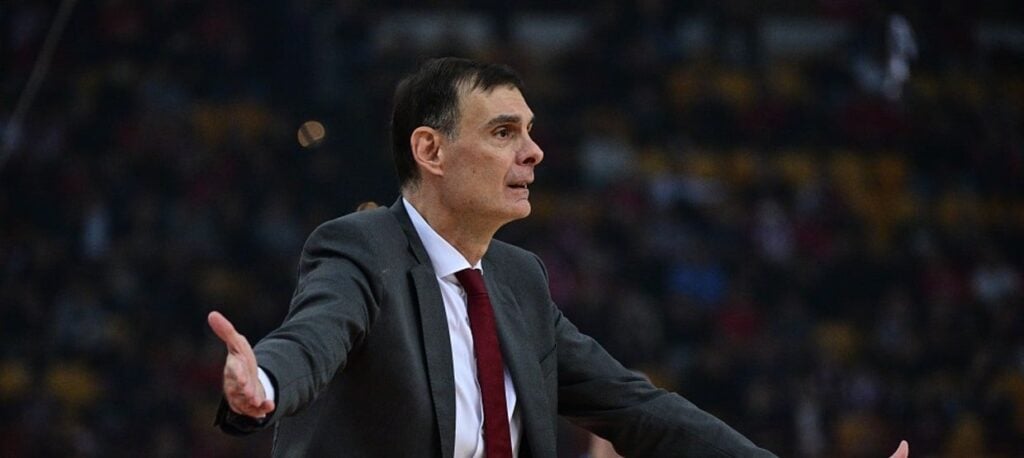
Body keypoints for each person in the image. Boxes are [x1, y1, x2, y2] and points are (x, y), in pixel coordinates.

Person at [209, 57, 910, 457]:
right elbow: (316, 335)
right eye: (504, 132)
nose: (534, 152)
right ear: (431, 150)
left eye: (530, 131)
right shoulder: (362, 248)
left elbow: (638, 409)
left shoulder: (519, 281)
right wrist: (263, 381)